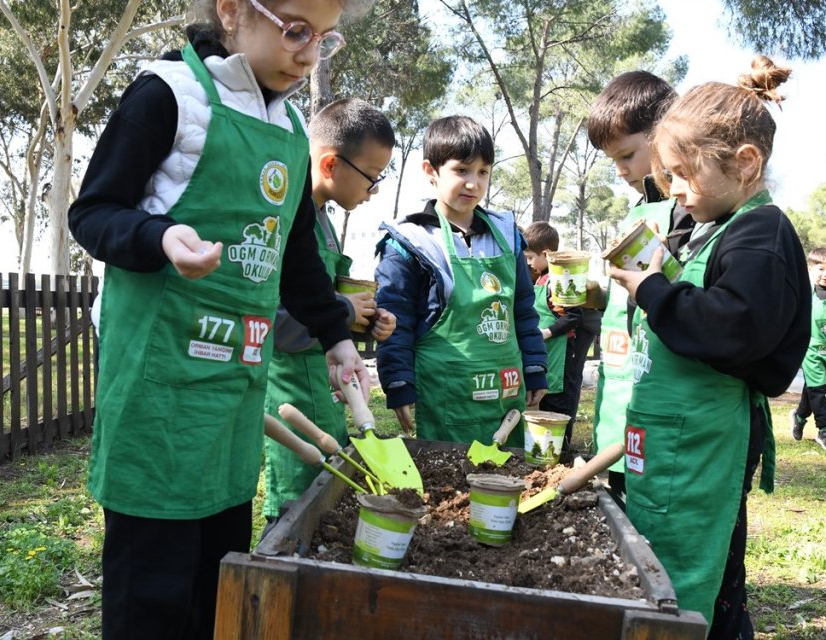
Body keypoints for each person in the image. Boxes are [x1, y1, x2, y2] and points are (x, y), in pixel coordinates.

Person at [66, 0, 372, 636]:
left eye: (324, 38)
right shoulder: (169, 95)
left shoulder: (289, 127)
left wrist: (336, 335)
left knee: (218, 583)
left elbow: (293, 256)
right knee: (152, 595)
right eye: (295, 31)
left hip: (233, 391)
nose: (309, 54)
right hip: (161, 389)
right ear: (233, 10)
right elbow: (93, 213)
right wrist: (159, 237)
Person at [609, 56, 809, 638]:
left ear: (746, 164)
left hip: (708, 441)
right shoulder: (707, 225)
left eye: (681, 175)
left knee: (710, 573)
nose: (671, 191)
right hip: (672, 437)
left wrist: (654, 292)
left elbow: (735, 327)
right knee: (660, 549)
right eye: (664, 175)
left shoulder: (760, 232)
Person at [374, 115, 548, 442]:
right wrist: (399, 382)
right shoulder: (410, 241)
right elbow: (394, 316)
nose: (474, 183)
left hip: (505, 393)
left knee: (505, 479)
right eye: (462, 170)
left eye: (483, 172)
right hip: (444, 396)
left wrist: (535, 367)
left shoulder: (507, 235)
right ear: (431, 171)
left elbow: (522, 309)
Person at [263, 98, 397, 522]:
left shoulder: (323, 222)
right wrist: (342, 310)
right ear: (329, 165)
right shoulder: (281, 218)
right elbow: (275, 318)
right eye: (370, 177)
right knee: (292, 507)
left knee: (326, 503)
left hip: (327, 391)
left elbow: (326, 311)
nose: (372, 189)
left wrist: (365, 323)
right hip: (289, 393)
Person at [583, 70, 686, 504]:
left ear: (664, 136)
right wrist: (596, 297)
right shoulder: (634, 213)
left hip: (662, 402)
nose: (622, 171)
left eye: (627, 155)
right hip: (618, 397)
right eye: (613, 161)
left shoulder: (688, 213)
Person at [521, 221, 598, 458]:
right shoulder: (541, 280)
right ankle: (548, 455)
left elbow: (575, 316)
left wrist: (546, 332)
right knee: (547, 405)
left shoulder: (560, 282)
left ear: (546, 254)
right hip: (549, 359)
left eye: (531, 257)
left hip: (564, 358)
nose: (529, 263)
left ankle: (562, 455)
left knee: (561, 407)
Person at [791, 246, 826, 452]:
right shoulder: (805, 294)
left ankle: (799, 416)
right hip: (810, 350)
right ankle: (824, 430)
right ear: (810, 269)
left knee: (813, 388)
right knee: (818, 390)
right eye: (821, 269)